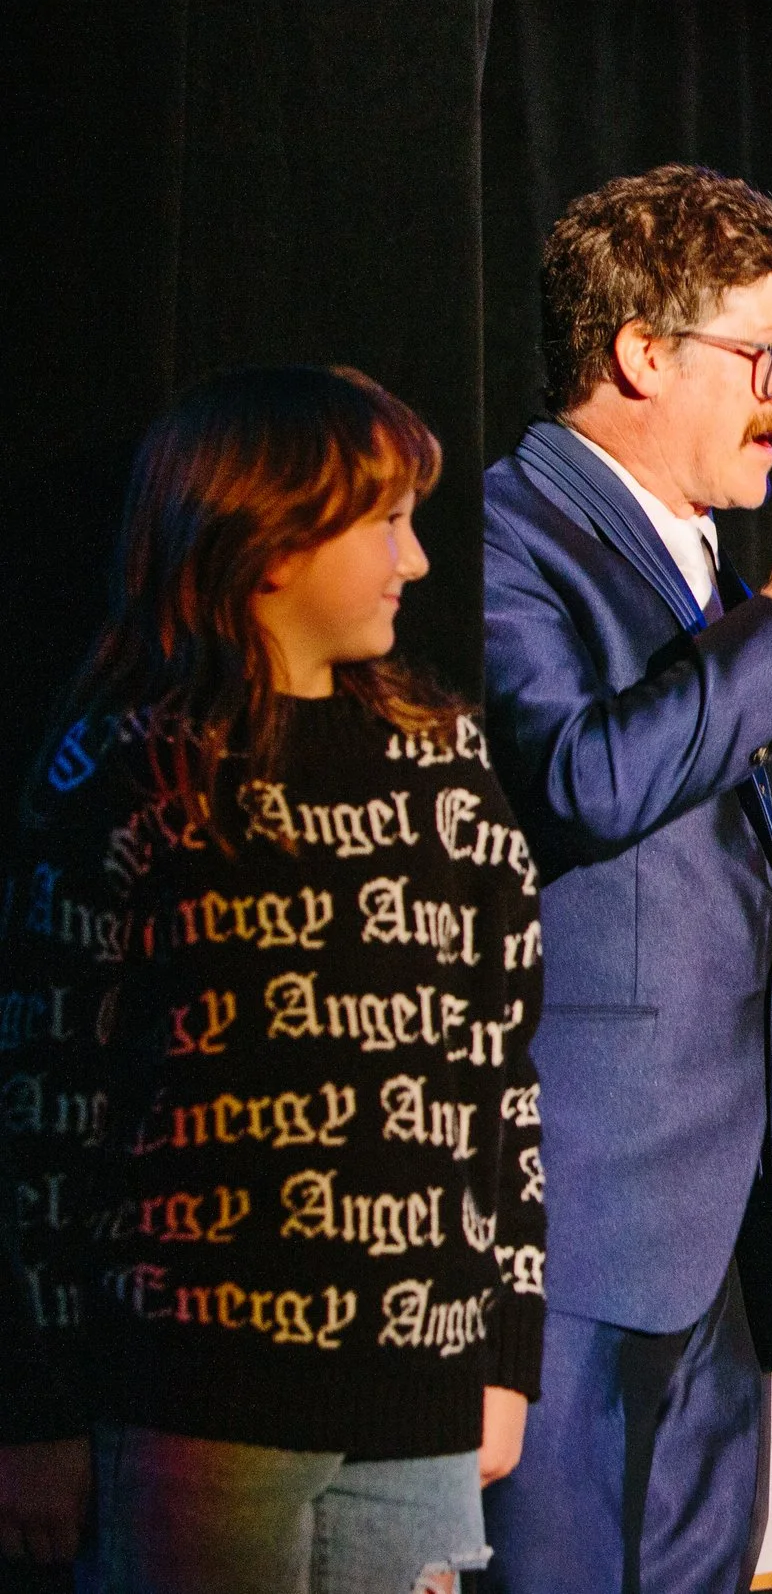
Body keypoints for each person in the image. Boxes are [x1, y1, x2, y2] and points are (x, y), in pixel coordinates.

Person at [0, 366, 546, 1593]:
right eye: (386, 521)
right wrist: (34, 1406)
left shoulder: (442, 767)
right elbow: (43, 1112)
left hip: (415, 1399)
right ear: (269, 540)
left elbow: (497, 1081)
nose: (416, 559)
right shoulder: (129, 771)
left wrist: (504, 1349)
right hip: (202, 1402)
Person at [477, 163, 772, 1592]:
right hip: (567, 1241)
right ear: (640, 353)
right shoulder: (508, 533)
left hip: (716, 1266)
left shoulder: (713, 588)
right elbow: (582, 776)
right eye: (759, 353)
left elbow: (757, 955)